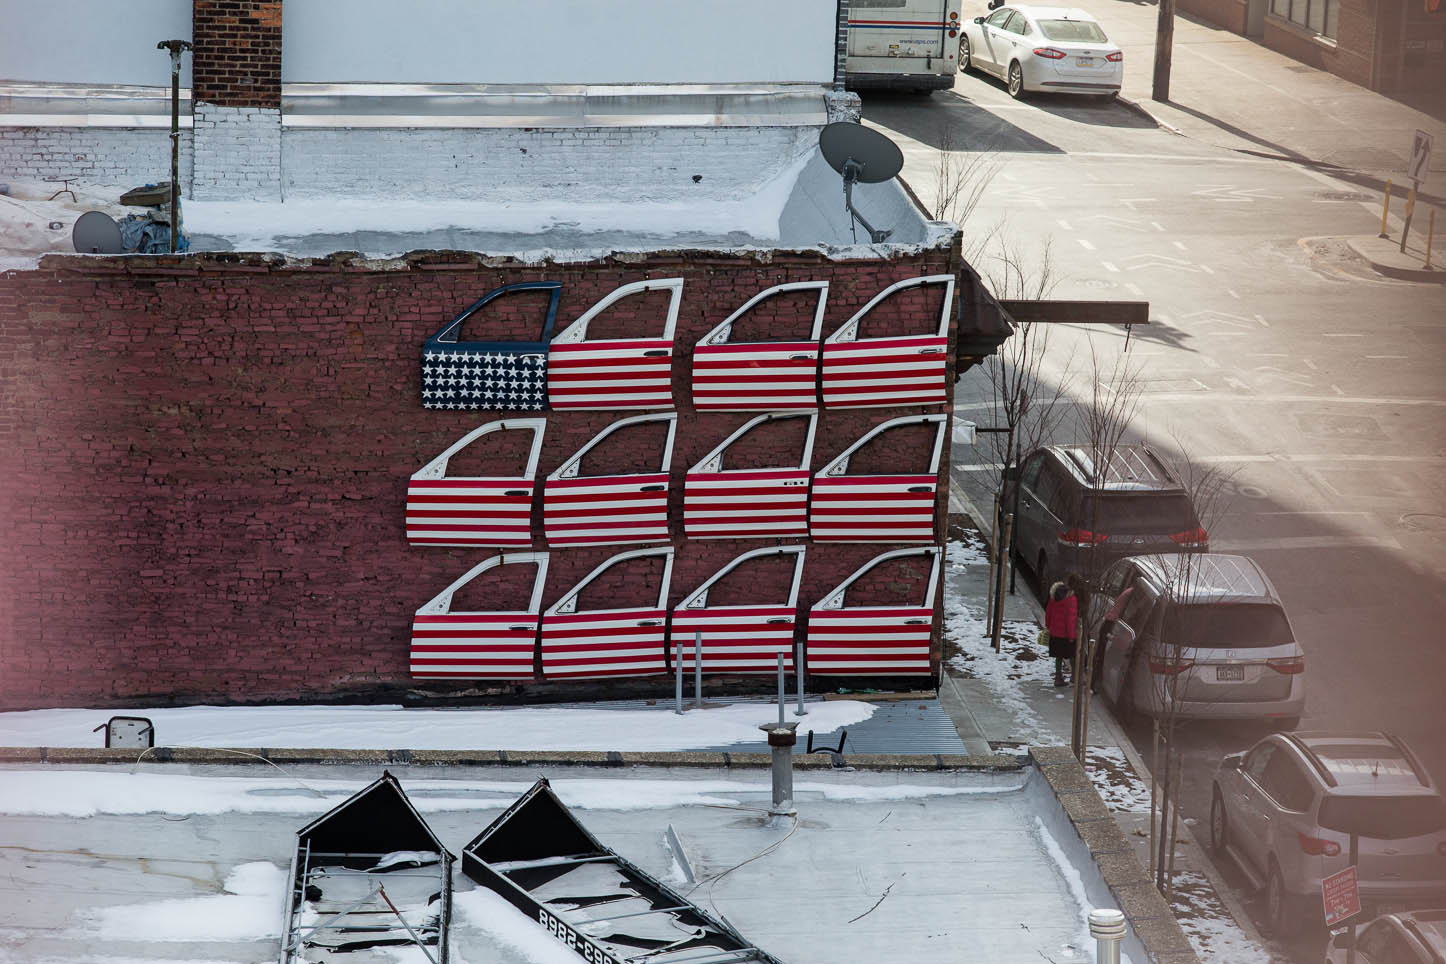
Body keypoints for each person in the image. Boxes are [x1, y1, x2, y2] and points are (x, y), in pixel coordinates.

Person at [1092, 582, 1136, 693]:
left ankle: (1095, 682)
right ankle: (1095, 684)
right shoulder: (1132, 595)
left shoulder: (1129, 591)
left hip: (1110, 622)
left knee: (1101, 654)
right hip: (1111, 624)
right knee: (1103, 656)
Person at [1044, 580, 1078, 688]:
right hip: (1066, 635)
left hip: (1055, 633)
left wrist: (1048, 626)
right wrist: (1072, 636)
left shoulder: (1053, 598)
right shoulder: (1071, 599)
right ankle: (1074, 676)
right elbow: (1071, 619)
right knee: (1072, 655)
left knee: (1058, 656)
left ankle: (1058, 678)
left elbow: (1048, 613)